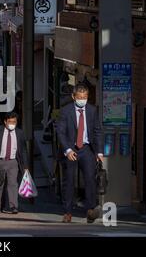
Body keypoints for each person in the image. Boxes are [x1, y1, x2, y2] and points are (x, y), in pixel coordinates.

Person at [56, 83, 103, 224]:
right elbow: (61, 132)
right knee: (69, 181)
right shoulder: (65, 111)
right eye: (80, 97)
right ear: (73, 96)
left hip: (87, 149)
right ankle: (67, 212)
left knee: (90, 179)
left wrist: (99, 152)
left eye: (85, 97)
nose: (82, 100)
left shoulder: (92, 110)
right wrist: (67, 150)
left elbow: (97, 131)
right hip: (71, 148)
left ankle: (90, 210)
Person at [0, 112, 29, 214]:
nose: (12, 124)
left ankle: (14, 206)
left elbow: (23, 150)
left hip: (13, 162)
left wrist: (25, 165)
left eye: (14, 122)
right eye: (10, 122)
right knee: (0, 184)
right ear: (5, 122)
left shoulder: (20, 133)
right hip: (0, 161)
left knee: (13, 184)